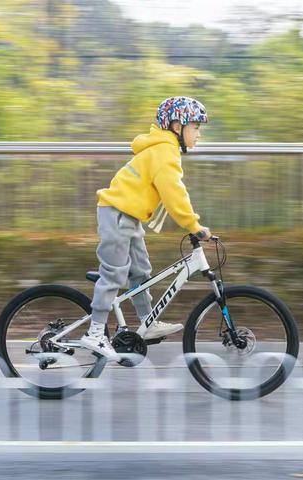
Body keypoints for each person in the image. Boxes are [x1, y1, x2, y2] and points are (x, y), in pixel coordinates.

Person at [80, 96, 212, 359]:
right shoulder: (164, 152)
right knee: (114, 274)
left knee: (140, 271)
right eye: (195, 128)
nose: (198, 134)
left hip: (128, 216)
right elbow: (175, 193)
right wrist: (194, 225)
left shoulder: (164, 149)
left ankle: (146, 322)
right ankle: (94, 333)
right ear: (177, 126)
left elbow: (170, 192)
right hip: (117, 214)